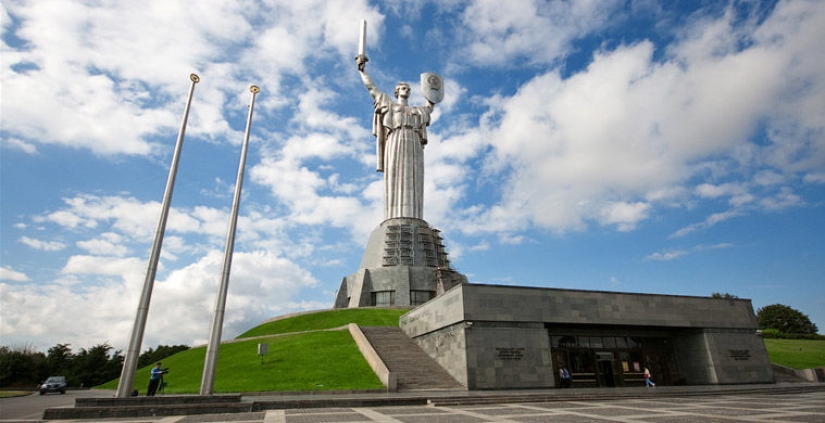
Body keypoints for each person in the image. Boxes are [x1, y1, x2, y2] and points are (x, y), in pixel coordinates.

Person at [357, 56, 436, 220]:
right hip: (395, 138)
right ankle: (394, 216)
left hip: (414, 142)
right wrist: (362, 71)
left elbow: (430, 106)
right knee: (395, 174)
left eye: (408, 89)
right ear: (397, 92)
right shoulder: (389, 105)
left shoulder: (417, 110)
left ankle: (414, 216)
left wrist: (433, 92)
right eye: (403, 88)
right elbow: (372, 89)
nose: (406, 90)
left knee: (415, 177)